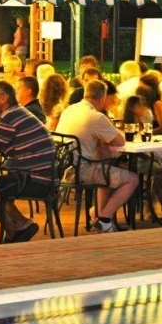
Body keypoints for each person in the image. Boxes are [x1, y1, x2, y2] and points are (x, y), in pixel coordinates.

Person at [0, 81, 58, 242]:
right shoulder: (17, 113)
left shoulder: (9, 118)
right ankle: (22, 224)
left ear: (3, 98)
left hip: (34, 179)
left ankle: (13, 230)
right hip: (39, 175)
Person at [55, 80, 140, 233]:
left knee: (107, 170)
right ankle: (105, 219)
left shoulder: (69, 110)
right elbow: (120, 141)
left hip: (65, 168)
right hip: (83, 170)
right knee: (132, 179)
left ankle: (98, 215)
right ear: (102, 98)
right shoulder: (95, 117)